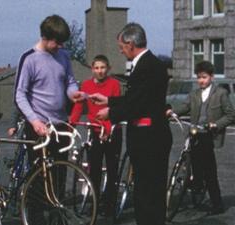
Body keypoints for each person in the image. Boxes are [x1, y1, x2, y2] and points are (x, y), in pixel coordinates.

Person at [90, 23, 172, 225]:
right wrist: (109, 100)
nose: (120, 50)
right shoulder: (151, 64)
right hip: (152, 137)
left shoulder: (146, 66)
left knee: (146, 194)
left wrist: (111, 112)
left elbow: (137, 104)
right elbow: (137, 97)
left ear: (130, 43)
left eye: (121, 46)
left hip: (148, 139)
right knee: (149, 192)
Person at [14, 14, 85, 224]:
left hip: (60, 126)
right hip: (38, 128)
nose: (60, 46)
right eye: (57, 42)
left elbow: (70, 81)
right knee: (38, 182)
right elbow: (19, 94)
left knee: (60, 179)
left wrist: (73, 93)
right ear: (45, 37)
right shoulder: (29, 58)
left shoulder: (63, 55)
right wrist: (34, 121)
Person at [166, 61, 235, 215]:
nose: (201, 81)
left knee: (210, 170)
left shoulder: (220, 93)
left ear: (211, 77)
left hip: (209, 135)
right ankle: (196, 186)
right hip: (194, 133)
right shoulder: (194, 94)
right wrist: (172, 112)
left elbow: (231, 115)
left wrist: (216, 124)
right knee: (194, 163)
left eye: (204, 77)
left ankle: (217, 205)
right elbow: (185, 107)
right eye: (198, 78)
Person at [69, 54, 122, 217]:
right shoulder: (85, 85)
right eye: (96, 68)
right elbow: (78, 107)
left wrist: (107, 128)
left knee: (112, 170)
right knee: (94, 170)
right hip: (95, 131)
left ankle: (110, 206)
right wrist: (71, 124)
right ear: (92, 69)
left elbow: (116, 109)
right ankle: (95, 204)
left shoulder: (114, 84)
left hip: (112, 130)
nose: (100, 71)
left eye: (103, 67)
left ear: (108, 69)